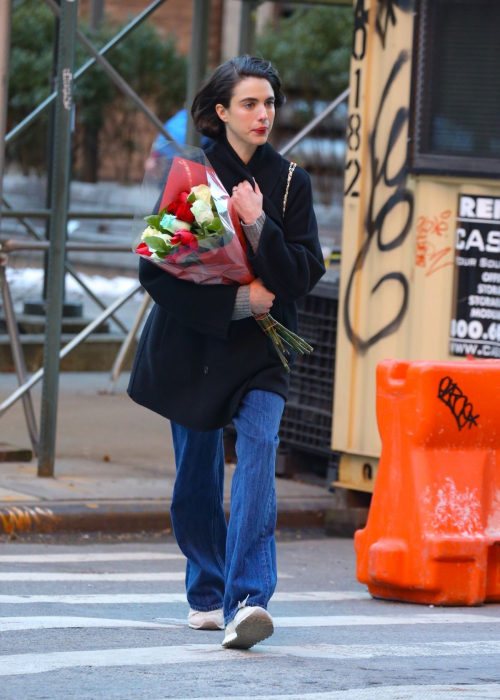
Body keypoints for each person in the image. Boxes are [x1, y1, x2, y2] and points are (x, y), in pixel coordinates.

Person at [127, 56, 326, 649]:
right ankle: (208, 590)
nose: (263, 114)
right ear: (222, 112)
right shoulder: (191, 175)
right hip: (194, 347)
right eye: (249, 103)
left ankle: (249, 599)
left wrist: (260, 225)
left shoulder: (291, 182)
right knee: (196, 475)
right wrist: (239, 300)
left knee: (260, 450)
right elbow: (156, 273)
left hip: (263, 352)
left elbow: (304, 272)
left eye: (269, 103)